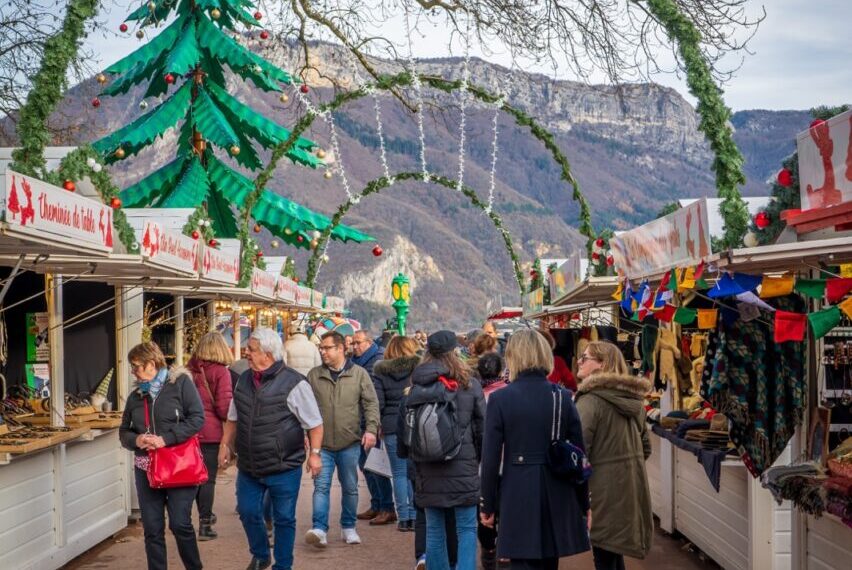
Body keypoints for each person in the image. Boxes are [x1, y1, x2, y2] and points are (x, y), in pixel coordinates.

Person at [480, 329, 591, 570]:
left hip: (517, 489)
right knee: (549, 563)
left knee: (520, 563)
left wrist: (487, 504)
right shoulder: (562, 397)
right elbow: (579, 456)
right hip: (557, 490)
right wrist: (584, 504)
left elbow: (489, 459)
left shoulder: (500, 399)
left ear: (513, 357)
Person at [219, 328, 325, 570]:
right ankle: (261, 554)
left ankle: (283, 565)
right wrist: (225, 444)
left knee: (284, 519)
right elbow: (233, 417)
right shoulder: (244, 379)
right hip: (249, 465)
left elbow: (315, 423)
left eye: (252, 349)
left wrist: (315, 455)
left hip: (284, 465)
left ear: (267, 354)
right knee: (247, 512)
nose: (247, 352)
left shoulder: (295, 383)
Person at [398, 330, 485, 570]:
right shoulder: (470, 385)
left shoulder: (414, 387)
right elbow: (482, 430)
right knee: (466, 528)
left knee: (435, 530)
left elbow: (404, 434)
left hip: (427, 469)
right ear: (454, 352)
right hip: (463, 467)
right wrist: (477, 459)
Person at [119, 342, 205, 570]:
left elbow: (197, 419)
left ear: (151, 363)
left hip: (179, 466)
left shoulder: (181, 384)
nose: (133, 371)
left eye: (136, 366)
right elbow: (124, 431)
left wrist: (165, 439)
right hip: (146, 468)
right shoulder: (136, 396)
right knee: (152, 528)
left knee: (180, 524)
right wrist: (136, 440)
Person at [574, 341, 653, 570]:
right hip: (631, 488)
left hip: (600, 493)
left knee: (604, 555)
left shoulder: (590, 400)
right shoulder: (635, 401)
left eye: (585, 357)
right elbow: (645, 448)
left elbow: (579, 451)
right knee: (613, 556)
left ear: (602, 364)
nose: (579, 361)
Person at [306, 331, 381, 547]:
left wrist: (371, 429)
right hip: (322, 445)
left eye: (327, 347)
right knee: (321, 487)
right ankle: (319, 528)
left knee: (350, 487)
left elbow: (371, 403)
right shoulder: (314, 375)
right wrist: (306, 438)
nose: (322, 351)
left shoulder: (359, 374)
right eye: (321, 347)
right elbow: (306, 408)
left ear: (340, 349)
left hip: (350, 442)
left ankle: (348, 527)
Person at [187, 332, 234, 541]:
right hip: (211, 432)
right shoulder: (221, 372)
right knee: (207, 479)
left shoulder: (187, 371)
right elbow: (224, 408)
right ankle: (205, 524)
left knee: (191, 478)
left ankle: (185, 521)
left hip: (188, 432)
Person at [372, 335, 421, 531]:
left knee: (399, 473)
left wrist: (378, 425)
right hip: (415, 424)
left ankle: (404, 518)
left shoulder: (380, 372)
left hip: (392, 425)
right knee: (415, 472)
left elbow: (378, 403)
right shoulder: (418, 369)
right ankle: (417, 515)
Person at [351, 329, 395, 524]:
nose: (354, 347)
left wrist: (375, 422)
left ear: (369, 342)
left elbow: (374, 395)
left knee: (376, 464)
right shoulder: (357, 361)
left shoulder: (376, 361)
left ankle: (386, 507)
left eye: (358, 343)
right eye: (353, 343)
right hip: (359, 419)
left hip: (371, 420)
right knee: (365, 464)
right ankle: (376, 503)